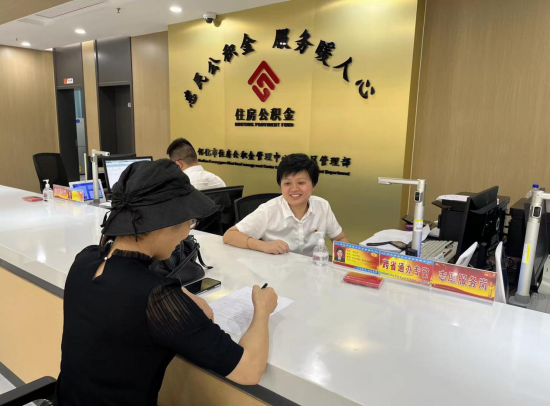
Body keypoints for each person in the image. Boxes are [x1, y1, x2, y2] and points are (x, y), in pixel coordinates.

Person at [55, 159, 278, 405]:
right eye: (189, 222)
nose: (187, 233)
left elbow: (132, 288)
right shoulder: (156, 298)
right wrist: (262, 310)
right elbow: (248, 370)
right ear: (166, 222)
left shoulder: (85, 259)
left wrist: (178, 293)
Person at [223, 153, 349, 256]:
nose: (294, 189)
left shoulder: (322, 206)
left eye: (301, 183)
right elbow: (229, 235)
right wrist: (263, 245)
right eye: (287, 183)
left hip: (314, 270)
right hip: (277, 272)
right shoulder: (269, 210)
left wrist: (350, 261)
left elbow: (339, 239)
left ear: (313, 185)